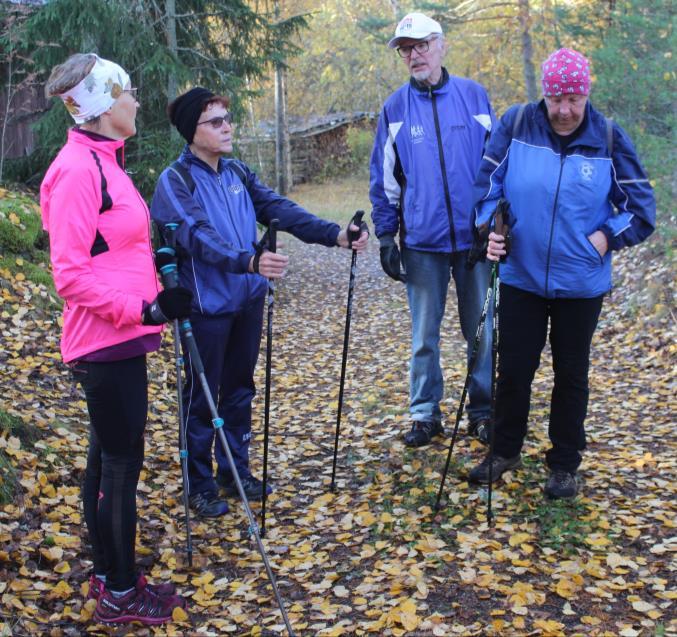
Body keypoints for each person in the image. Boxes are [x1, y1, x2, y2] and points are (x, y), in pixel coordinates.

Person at [150, 87, 369, 518]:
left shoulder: (237, 173)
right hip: (205, 307)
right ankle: (200, 484)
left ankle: (235, 471)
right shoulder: (176, 181)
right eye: (215, 121)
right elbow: (195, 235)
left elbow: (279, 210)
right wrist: (248, 260)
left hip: (246, 301)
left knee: (239, 391)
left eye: (227, 118)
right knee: (202, 397)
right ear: (191, 132)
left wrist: (335, 236)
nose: (227, 126)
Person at [40, 53, 190, 625]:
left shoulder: (103, 160)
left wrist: (158, 272)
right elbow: (71, 275)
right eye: (127, 94)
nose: (137, 102)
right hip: (105, 339)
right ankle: (122, 593)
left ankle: (110, 576)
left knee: (107, 461)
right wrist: (146, 306)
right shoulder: (81, 170)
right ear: (104, 105)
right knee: (121, 464)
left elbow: (113, 250)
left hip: (119, 336)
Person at [468, 48, 656, 498]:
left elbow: (641, 209)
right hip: (521, 277)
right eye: (556, 99)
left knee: (571, 374)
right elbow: (486, 187)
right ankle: (505, 449)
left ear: (586, 94)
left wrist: (607, 238)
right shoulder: (515, 126)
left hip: (580, 283)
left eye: (574, 99)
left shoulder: (608, 138)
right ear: (544, 96)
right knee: (513, 369)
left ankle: (564, 465)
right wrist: (489, 228)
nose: (565, 110)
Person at [369, 12, 496, 448]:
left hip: (475, 242)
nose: (414, 55)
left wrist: (497, 222)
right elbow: (384, 179)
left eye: (422, 45)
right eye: (406, 49)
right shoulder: (395, 109)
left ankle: (483, 411)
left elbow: (499, 168)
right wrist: (387, 236)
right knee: (424, 335)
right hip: (423, 243)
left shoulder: (475, 98)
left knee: (481, 330)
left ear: (441, 45)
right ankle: (425, 413)